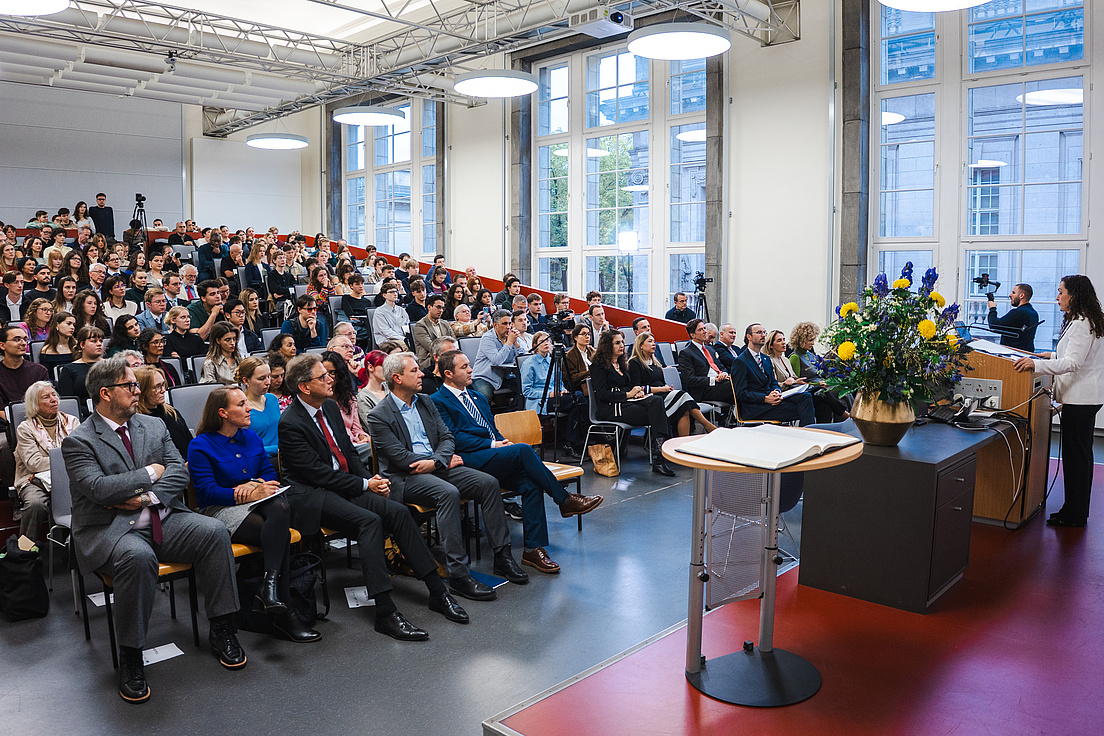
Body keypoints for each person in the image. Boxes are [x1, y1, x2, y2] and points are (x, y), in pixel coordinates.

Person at [62, 358, 245, 704]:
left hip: (160, 514)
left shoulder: (152, 425)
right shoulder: (80, 440)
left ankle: (223, 629)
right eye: (129, 386)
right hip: (110, 529)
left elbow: (179, 471)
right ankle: (131, 654)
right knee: (138, 556)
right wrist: (149, 472)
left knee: (214, 532)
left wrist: (147, 495)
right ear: (106, 393)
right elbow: (99, 488)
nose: (137, 391)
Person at [279, 353, 470, 641]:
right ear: (304, 387)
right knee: (369, 522)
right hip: (313, 495)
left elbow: (347, 453)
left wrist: (372, 479)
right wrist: (365, 484)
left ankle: (437, 591)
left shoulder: (329, 408)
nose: (330, 379)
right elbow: (317, 475)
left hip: (344, 485)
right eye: (322, 377)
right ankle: (384, 611)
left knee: (399, 513)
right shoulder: (290, 422)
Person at [366, 352, 529, 600]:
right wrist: (438, 462)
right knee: (447, 493)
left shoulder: (425, 401)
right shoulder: (379, 415)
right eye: (414, 371)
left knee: (487, 483)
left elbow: (447, 437)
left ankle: (502, 556)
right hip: (405, 478)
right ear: (397, 378)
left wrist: (436, 462)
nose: (422, 374)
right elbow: (400, 458)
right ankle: (459, 575)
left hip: (435, 467)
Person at [431, 350, 604, 574]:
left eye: (469, 365)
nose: (471, 369)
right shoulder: (437, 401)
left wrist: (502, 441)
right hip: (468, 459)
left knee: (531, 484)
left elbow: (491, 429)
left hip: (492, 454)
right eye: (464, 367)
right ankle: (564, 499)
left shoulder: (476, 397)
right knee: (522, 449)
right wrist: (494, 445)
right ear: (448, 374)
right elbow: (453, 437)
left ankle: (533, 549)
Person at [189, 387, 319, 643]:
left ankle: (270, 588)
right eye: (241, 404)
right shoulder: (200, 445)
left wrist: (257, 484)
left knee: (280, 507)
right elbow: (207, 492)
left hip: (260, 504)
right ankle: (283, 609)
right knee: (278, 530)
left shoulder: (251, 438)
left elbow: (269, 475)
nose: (249, 408)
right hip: (222, 510)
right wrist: (249, 492)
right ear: (223, 413)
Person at [1014, 275, 1104, 528]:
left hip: (1081, 399)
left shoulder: (1080, 323)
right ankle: (1076, 510)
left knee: (1076, 459)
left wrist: (1037, 364)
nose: (1057, 297)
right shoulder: (1088, 319)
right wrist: (1050, 354)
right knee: (1082, 457)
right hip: (1088, 397)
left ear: (1073, 294)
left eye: (1061, 292)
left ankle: (1074, 515)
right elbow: (1075, 356)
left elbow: (1073, 363)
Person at [589, 331, 677, 476]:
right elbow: (603, 394)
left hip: (627, 403)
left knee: (656, 402)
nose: (622, 346)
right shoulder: (598, 367)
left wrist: (636, 391)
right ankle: (660, 458)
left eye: (622, 342)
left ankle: (659, 457)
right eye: (617, 343)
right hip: (611, 408)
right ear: (607, 346)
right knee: (658, 412)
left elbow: (628, 386)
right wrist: (627, 394)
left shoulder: (622, 364)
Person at [13, 381, 80, 542]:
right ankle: (25, 553)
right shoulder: (25, 428)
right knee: (35, 504)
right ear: (34, 404)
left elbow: (82, 454)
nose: (53, 399)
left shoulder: (72, 422)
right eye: (46, 397)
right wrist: (66, 459)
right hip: (35, 479)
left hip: (70, 475)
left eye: (54, 395)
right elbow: (34, 463)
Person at [629, 332, 716, 437]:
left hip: (663, 395)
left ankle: (684, 441)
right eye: (650, 341)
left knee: (684, 409)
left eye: (654, 341)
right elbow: (637, 388)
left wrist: (667, 388)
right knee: (683, 396)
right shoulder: (634, 363)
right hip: (649, 398)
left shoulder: (656, 362)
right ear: (641, 346)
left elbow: (661, 382)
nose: (654, 344)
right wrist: (661, 389)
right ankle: (707, 425)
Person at [732, 322, 815, 426]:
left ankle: (808, 434)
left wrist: (776, 391)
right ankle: (808, 436)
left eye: (764, 332)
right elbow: (741, 393)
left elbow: (774, 383)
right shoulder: (740, 361)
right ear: (749, 336)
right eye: (759, 332)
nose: (763, 335)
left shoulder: (765, 359)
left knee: (806, 397)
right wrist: (766, 398)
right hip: (756, 407)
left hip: (771, 401)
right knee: (804, 409)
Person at [788, 322, 850, 423]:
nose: (813, 343)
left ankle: (831, 428)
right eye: (810, 340)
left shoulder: (810, 354)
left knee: (825, 406)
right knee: (838, 391)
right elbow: (797, 384)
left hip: (821, 387)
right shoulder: (795, 357)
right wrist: (818, 384)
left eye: (813, 339)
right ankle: (845, 417)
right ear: (801, 340)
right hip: (810, 391)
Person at [677, 318, 738, 407]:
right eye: (700, 330)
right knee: (737, 386)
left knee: (742, 382)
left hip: (720, 384)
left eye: (704, 328)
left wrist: (723, 373)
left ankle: (741, 416)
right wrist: (714, 379)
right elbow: (690, 380)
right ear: (693, 335)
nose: (705, 331)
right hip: (704, 389)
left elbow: (721, 366)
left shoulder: (710, 349)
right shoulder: (686, 353)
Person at [134, 366, 192, 458]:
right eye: (157, 387)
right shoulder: (136, 421)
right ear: (143, 391)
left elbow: (189, 446)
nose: (163, 390)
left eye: (163, 384)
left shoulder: (171, 413)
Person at [471, 309, 521, 403]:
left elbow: (522, 358)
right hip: (485, 377)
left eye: (510, 323)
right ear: (495, 325)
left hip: (505, 377)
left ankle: (509, 414)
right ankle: (486, 417)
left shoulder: (511, 336)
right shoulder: (488, 338)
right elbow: (497, 361)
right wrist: (509, 342)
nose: (508, 327)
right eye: (504, 324)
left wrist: (516, 344)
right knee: (484, 396)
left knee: (524, 389)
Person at [236, 357, 281, 456]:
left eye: (269, 376)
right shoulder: (241, 407)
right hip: (258, 460)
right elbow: (244, 447)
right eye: (261, 378)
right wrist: (279, 449)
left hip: (283, 456)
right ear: (246, 380)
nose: (268, 382)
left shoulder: (272, 399)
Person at [57, 326, 104, 406]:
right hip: (82, 414)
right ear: (82, 344)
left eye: (101, 341)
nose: (99, 344)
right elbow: (68, 402)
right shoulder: (69, 369)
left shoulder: (111, 366)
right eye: (94, 341)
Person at [987, 283, 1039, 353]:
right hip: (1026, 353)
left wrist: (992, 308)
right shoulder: (1034, 313)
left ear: (1021, 295)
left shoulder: (1018, 312)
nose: (1010, 295)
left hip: (1013, 355)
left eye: (1013, 293)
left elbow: (993, 325)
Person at [412, 294, 455, 371]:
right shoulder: (420, 325)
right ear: (429, 307)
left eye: (443, 308)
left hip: (445, 357)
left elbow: (454, 342)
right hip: (428, 362)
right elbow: (431, 346)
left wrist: (438, 351)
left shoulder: (445, 324)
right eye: (438, 307)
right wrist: (439, 351)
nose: (441, 310)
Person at [339, 272, 373, 349]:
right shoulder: (346, 298)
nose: (361, 286)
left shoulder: (367, 301)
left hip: (365, 324)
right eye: (357, 284)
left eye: (362, 284)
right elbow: (351, 316)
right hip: (354, 325)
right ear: (351, 286)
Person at [355, 349, 389, 427]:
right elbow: (372, 425)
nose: (387, 370)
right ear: (371, 367)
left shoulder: (390, 389)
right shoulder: (363, 398)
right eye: (383, 366)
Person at [201, 321, 241, 385]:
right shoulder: (210, 363)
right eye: (227, 340)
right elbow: (210, 388)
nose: (232, 343)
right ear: (218, 341)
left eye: (234, 339)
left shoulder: (239, 360)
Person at [564, 323, 595, 396]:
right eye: (584, 334)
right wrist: (588, 373)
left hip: (594, 382)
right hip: (579, 387)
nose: (587, 337)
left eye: (588, 334)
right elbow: (571, 378)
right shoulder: (570, 355)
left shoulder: (593, 351)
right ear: (576, 337)